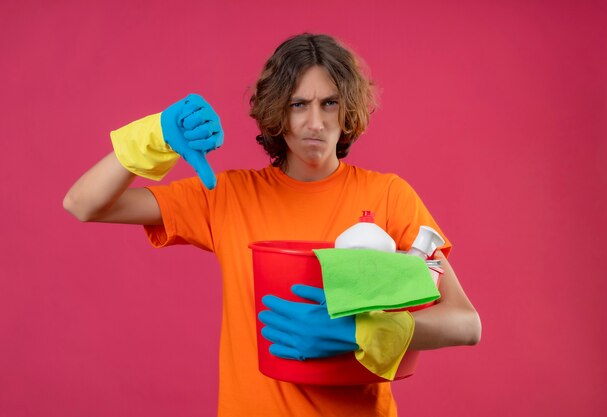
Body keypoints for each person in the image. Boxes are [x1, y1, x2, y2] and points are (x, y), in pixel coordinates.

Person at [64, 33, 481, 417]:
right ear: (277, 113)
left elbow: (465, 323)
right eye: (299, 104)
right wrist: (154, 136)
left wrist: (366, 332)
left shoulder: (390, 195)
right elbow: (84, 204)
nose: (315, 123)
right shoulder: (230, 196)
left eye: (329, 103)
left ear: (349, 110)